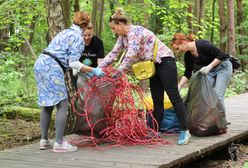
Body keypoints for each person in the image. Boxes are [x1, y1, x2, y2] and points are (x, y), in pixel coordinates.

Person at [98, 8, 191, 145]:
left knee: (173, 96)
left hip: (165, 62)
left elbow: (131, 54)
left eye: (114, 28)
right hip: (153, 66)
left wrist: (118, 72)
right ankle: (155, 131)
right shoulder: (122, 38)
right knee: (156, 98)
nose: (113, 31)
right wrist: (97, 69)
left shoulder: (134, 32)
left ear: (120, 24)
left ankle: (184, 130)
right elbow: (113, 54)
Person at [34, 11, 104, 153]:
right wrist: (93, 70)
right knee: (62, 104)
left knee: (47, 103)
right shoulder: (78, 38)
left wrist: (88, 72)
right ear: (85, 25)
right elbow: (73, 63)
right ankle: (59, 143)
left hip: (41, 63)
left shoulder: (65, 32)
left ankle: (44, 140)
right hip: (52, 68)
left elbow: (70, 64)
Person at [171, 33, 232, 114]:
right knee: (204, 95)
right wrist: (179, 87)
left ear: (183, 42)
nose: (178, 51)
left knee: (217, 95)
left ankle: (222, 120)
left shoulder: (202, 44)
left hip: (223, 67)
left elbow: (221, 55)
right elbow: (187, 73)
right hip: (210, 71)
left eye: (178, 48)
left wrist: (209, 66)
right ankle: (209, 119)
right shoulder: (188, 56)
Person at [72, 23, 105, 89]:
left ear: (92, 31)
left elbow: (101, 60)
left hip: (94, 71)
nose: (86, 38)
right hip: (80, 70)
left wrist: (98, 70)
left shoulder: (98, 42)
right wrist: (76, 69)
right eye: (84, 35)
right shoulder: (76, 42)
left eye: (89, 35)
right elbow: (72, 60)